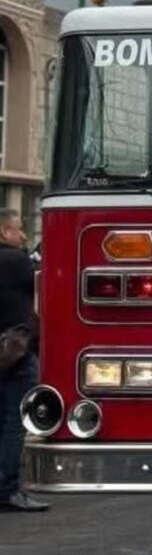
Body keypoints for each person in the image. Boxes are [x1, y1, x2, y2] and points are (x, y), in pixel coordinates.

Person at [0, 209, 49, 512]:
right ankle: (9, 490)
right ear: (5, 232)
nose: (22, 236)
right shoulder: (17, 261)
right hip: (15, 350)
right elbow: (46, 283)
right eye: (18, 230)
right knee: (14, 422)